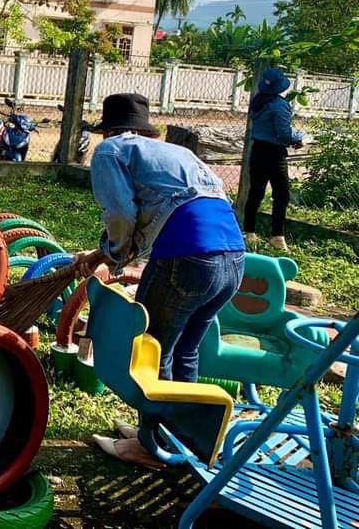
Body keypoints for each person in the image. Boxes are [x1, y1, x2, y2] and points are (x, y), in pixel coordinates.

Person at [72, 93, 245, 469]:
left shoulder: (111, 150)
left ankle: (151, 445)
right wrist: (105, 254)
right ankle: (180, 438)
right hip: (233, 258)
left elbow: (121, 214)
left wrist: (113, 251)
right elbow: (171, 214)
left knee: (152, 351)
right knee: (186, 351)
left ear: (109, 130)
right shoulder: (177, 154)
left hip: (188, 257)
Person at [243, 67, 303, 251]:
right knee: (281, 195)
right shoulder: (279, 105)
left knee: (255, 193)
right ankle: (277, 237)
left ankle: (249, 233)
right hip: (274, 154)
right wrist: (298, 137)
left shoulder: (257, 102)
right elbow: (283, 133)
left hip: (257, 151)